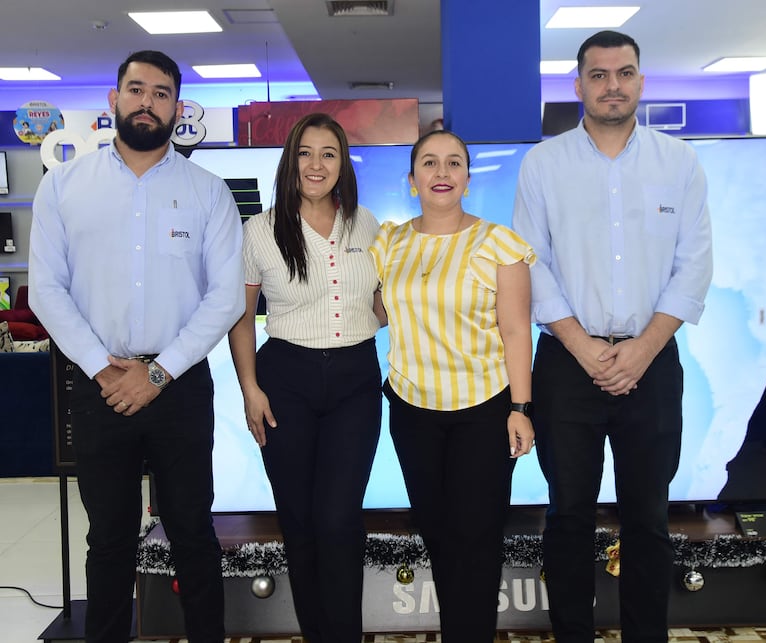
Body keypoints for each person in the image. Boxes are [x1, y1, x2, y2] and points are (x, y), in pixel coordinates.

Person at [28, 50, 245, 643]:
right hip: (99, 387)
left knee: (193, 533)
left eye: (161, 93)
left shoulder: (207, 193)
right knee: (111, 539)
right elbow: (46, 291)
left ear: (178, 107)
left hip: (179, 387)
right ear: (113, 101)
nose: (147, 102)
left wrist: (157, 374)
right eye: (136, 89)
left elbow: (225, 299)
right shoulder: (64, 188)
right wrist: (103, 369)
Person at [512, 31, 713, 642]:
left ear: (641, 82)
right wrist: (584, 347)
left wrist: (643, 349)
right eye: (598, 75)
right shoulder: (543, 164)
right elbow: (529, 263)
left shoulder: (678, 163)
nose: (612, 85)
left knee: (648, 518)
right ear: (578, 86)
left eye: (624, 73)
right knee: (568, 515)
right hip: (568, 366)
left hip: (651, 362)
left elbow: (695, 264)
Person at [370, 129, 536, 643]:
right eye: (429, 163)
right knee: (438, 535)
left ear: (467, 177)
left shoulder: (498, 243)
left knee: (477, 539)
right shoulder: (389, 242)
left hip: (483, 410)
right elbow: (373, 310)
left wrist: (521, 407)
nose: (441, 173)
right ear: (412, 178)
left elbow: (515, 331)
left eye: (453, 163)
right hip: (412, 410)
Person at [228, 112, 384, 643]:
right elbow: (242, 317)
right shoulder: (260, 230)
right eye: (305, 153)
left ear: (343, 164)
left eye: (328, 154)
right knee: (299, 520)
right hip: (285, 379)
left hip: (355, 381)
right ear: (290, 161)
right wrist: (251, 390)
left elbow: (384, 304)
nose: (316, 165)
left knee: (339, 519)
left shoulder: (368, 226)